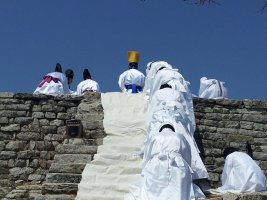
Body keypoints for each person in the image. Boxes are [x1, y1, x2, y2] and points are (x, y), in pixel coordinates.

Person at [134, 123, 205, 200]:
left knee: (155, 185)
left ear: (161, 130)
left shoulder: (155, 136)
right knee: (178, 184)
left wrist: (145, 166)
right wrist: (187, 166)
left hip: (157, 162)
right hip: (177, 164)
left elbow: (148, 153)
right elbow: (187, 154)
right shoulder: (180, 136)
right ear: (172, 129)